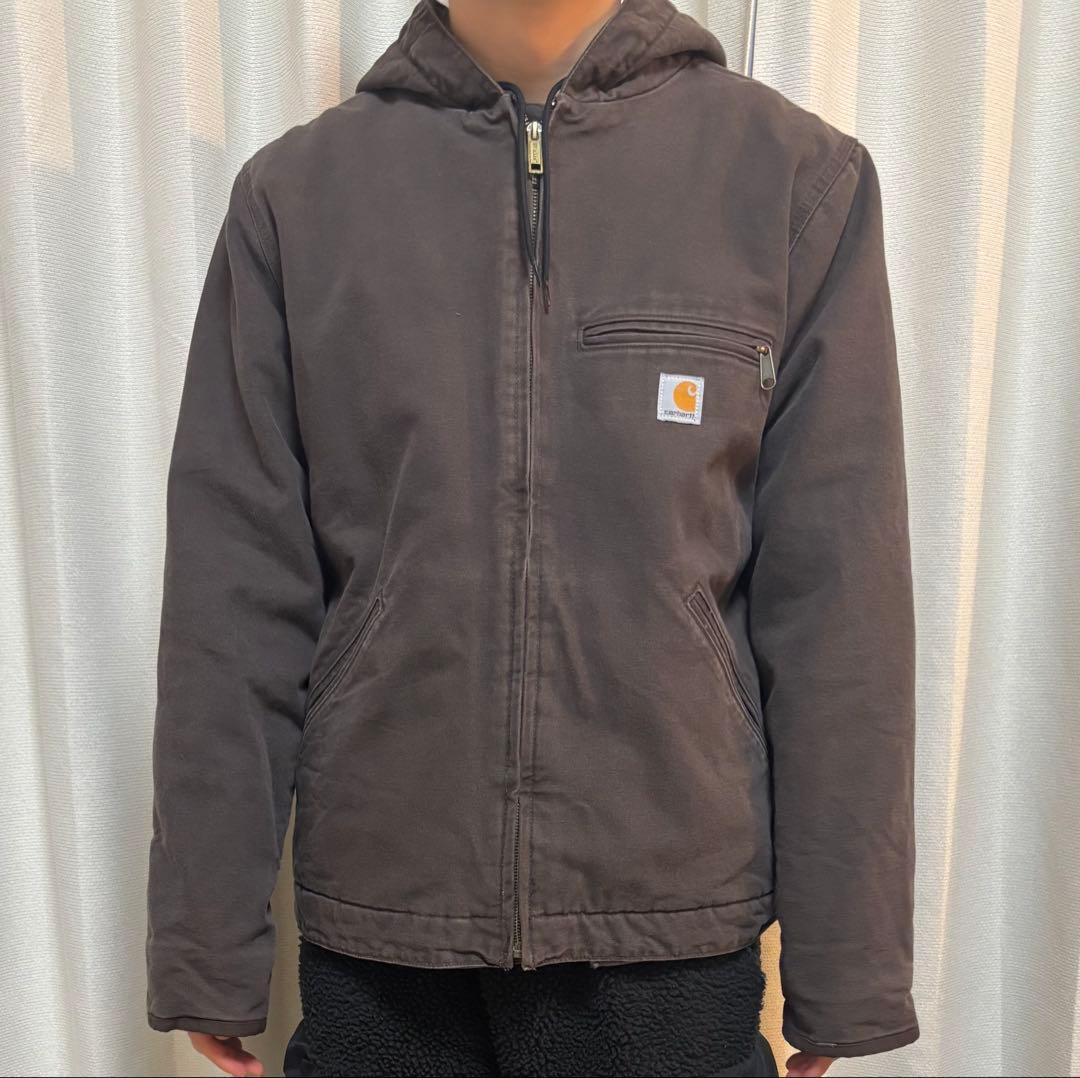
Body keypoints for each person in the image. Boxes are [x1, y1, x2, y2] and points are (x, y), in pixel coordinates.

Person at [144, 0, 919, 1075]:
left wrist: (849, 966)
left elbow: (840, 598)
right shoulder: (300, 199)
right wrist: (207, 942)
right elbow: (232, 597)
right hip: (385, 939)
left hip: (668, 943)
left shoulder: (789, 181)